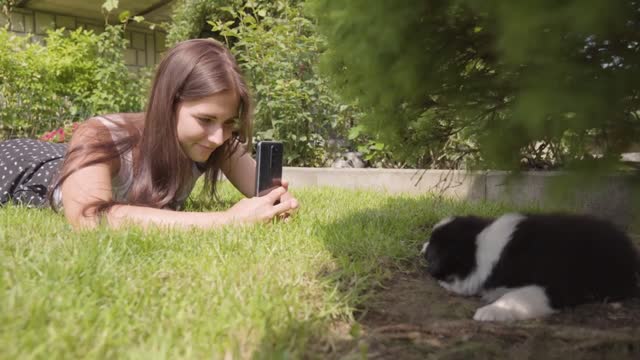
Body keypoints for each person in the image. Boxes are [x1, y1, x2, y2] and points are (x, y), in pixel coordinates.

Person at [0, 38, 298, 229]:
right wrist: (227, 220)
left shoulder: (218, 141)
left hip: (69, 159)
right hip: (25, 166)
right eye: (205, 119)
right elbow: (90, 217)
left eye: (228, 122)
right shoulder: (99, 135)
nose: (219, 137)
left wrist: (275, 204)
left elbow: (266, 197)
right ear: (168, 105)